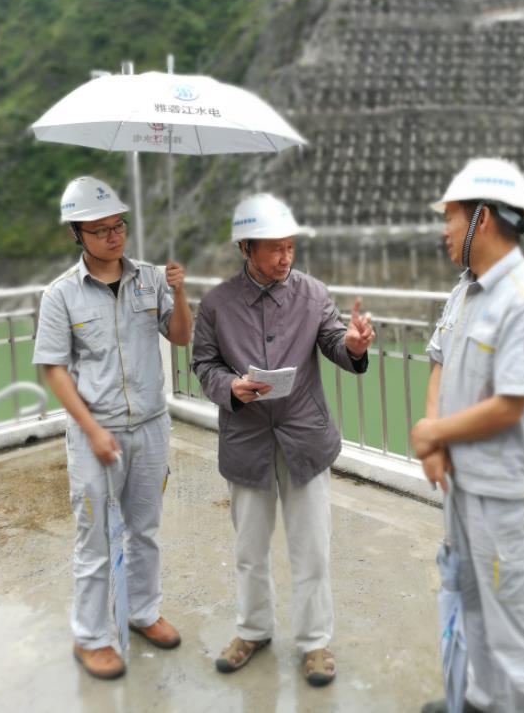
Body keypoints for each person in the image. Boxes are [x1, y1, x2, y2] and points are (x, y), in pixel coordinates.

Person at [192, 193, 374, 687]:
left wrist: (353, 346)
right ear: (245, 247)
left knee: (312, 547)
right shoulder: (216, 304)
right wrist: (230, 386)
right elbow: (202, 365)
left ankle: (315, 642)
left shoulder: (313, 294)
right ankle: (253, 630)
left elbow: (335, 342)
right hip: (246, 440)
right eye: (274, 249)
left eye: (290, 247)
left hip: (304, 439)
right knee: (250, 549)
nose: (285, 258)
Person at [411, 159, 524, 713]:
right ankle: (480, 701)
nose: (444, 230)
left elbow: (511, 404)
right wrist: (435, 443)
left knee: (515, 630)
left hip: (504, 496)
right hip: (463, 485)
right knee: (472, 604)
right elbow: (439, 359)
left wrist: (432, 431)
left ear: (482, 218)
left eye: (451, 218)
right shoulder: (465, 292)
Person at [32, 176, 192, 680]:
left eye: (118, 225)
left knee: (144, 531)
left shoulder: (151, 280)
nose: (113, 236)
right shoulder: (61, 295)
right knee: (95, 539)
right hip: (94, 434)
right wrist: (93, 430)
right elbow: (54, 369)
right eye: (99, 230)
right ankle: (92, 637)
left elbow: (181, 337)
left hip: (149, 427)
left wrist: (181, 293)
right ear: (77, 235)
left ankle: (143, 612)